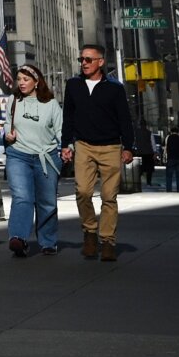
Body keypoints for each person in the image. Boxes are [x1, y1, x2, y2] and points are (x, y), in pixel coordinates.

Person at [61, 43, 135, 262]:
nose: (84, 63)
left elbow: (125, 119)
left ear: (100, 62)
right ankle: (90, 232)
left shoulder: (115, 88)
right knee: (83, 191)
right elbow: (68, 117)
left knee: (108, 196)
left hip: (111, 147)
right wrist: (66, 144)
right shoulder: (73, 85)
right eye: (81, 59)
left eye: (88, 60)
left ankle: (108, 241)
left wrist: (128, 147)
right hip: (84, 145)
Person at [2, 64, 63, 256]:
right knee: (22, 197)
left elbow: (61, 130)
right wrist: (7, 135)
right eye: (19, 79)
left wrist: (69, 148)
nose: (21, 83)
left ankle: (48, 241)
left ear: (37, 82)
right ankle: (18, 238)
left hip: (47, 157)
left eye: (26, 79)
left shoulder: (51, 104)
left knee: (47, 202)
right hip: (18, 155)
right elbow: (6, 123)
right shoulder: (13, 100)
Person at [164, 126, 179, 192]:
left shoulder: (168, 138)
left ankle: (169, 190)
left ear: (171, 132)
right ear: (178, 132)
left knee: (169, 176)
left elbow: (165, 147)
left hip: (170, 158)